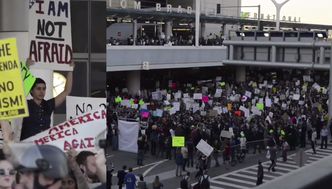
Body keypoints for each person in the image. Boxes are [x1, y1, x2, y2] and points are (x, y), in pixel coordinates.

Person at [20, 62, 74, 141]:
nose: (41, 91)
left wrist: (70, 70)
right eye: (38, 89)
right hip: (27, 146)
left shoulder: (48, 104)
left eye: (44, 89)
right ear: (31, 91)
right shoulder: (26, 104)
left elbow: (67, 91)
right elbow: (18, 90)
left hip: (44, 146)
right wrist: (26, 67)